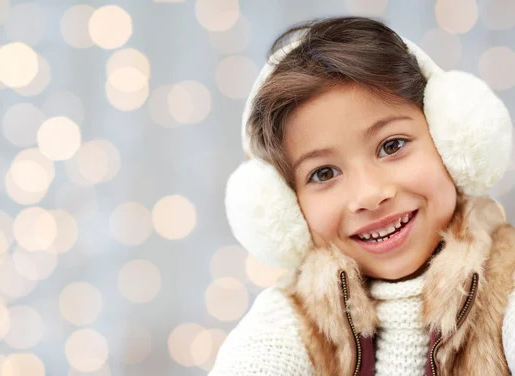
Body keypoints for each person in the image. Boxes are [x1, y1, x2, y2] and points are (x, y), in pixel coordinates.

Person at [210, 16, 515, 375]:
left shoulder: (506, 284)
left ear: (449, 139)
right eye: (323, 173)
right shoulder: (290, 320)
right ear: (288, 207)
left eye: (392, 145)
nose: (369, 196)